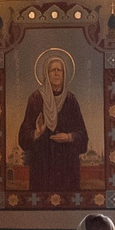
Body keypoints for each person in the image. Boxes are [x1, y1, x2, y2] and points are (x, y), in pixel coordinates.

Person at [18, 50, 88, 193]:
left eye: (59, 70)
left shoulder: (71, 100)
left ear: (64, 74)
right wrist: (36, 133)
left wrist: (69, 137)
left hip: (67, 167)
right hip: (42, 166)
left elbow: (83, 136)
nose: (56, 74)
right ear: (46, 74)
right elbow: (23, 137)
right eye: (52, 70)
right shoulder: (35, 99)